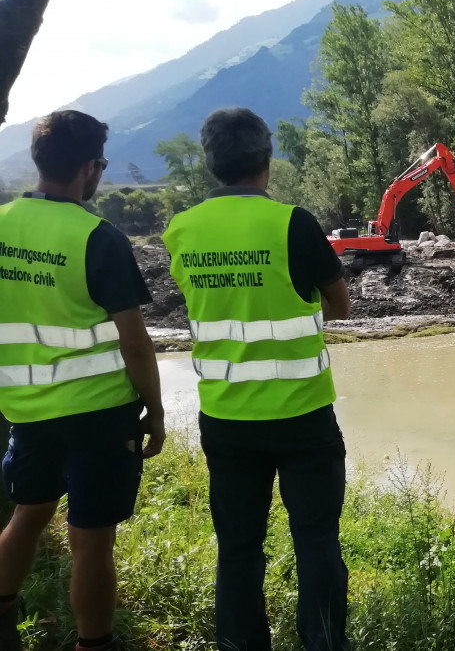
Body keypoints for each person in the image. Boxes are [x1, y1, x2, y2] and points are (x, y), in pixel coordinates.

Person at [162, 107, 351, 651]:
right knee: (316, 542)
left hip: (226, 419)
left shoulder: (181, 230)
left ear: (211, 162)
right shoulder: (293, 223)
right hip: (303, 418)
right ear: (266, 158)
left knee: (239, 547)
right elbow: (338, 305)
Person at [0, 110, 166, 651]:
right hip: (97, 416)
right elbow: (135, 342)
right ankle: (95, 644)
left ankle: (1, 612)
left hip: (25, 409)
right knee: (91, 541)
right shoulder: (98, 237)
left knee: (29, 512)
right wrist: (156, 410)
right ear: (91, 167)